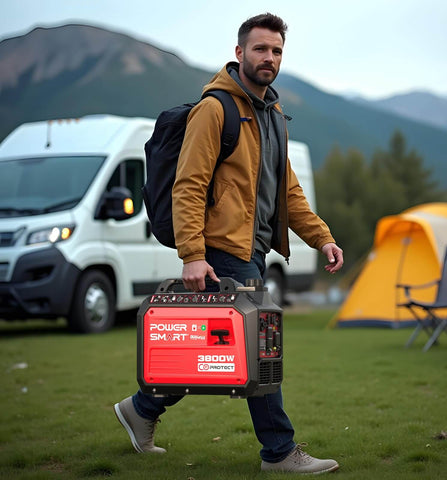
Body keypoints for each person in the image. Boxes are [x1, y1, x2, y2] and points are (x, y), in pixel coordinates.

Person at [114, 12, 343, 474]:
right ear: (240, 53)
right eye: (260, 49)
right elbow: (189, 185)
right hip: (221, 254)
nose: (269, 58)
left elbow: (289, 194)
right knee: (260, 351)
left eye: (276, 51)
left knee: (218, 353)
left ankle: (142, 409)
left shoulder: (273, 117)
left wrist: (323, 238)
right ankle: (279, 452)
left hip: (250, 252)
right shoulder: (215, 109)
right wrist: (193, 256)